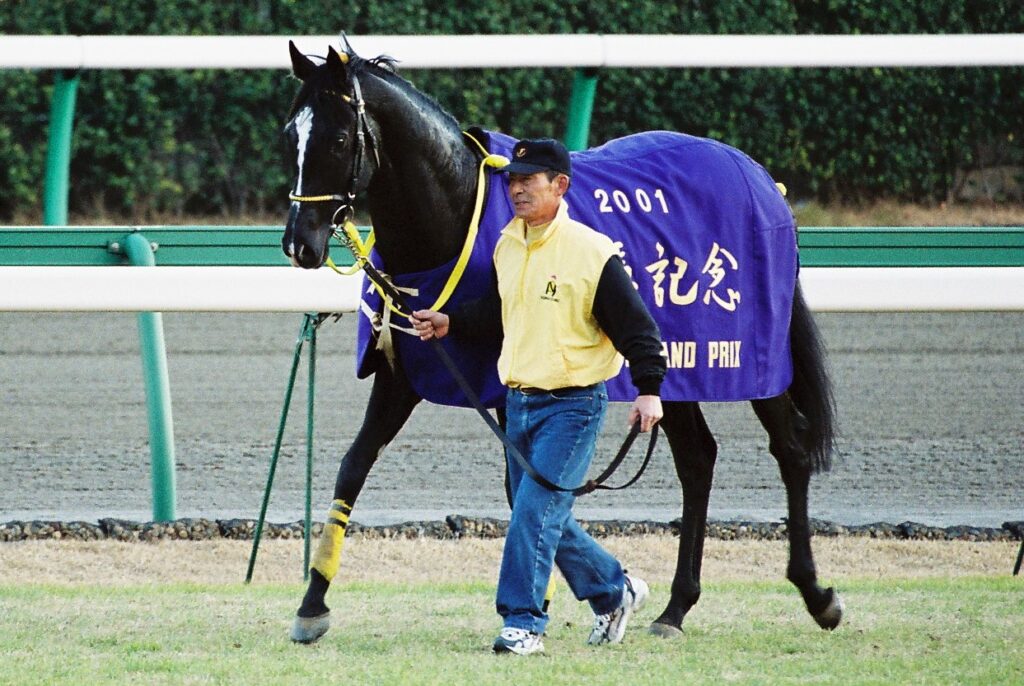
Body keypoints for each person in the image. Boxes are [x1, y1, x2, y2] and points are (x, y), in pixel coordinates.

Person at [409, 138, 666, 656]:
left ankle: (522, 623)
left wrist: (649, 391)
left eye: (528, 180)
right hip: (517, 404)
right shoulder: (507, 245)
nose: (517, 189)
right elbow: (501, 312)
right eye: (513, 180)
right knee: (547, 514)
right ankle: (614, 592)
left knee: (532, 514)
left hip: (573, 407)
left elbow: (639, 330)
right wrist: (451, 321)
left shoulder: (591, 252)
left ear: (560, 185)